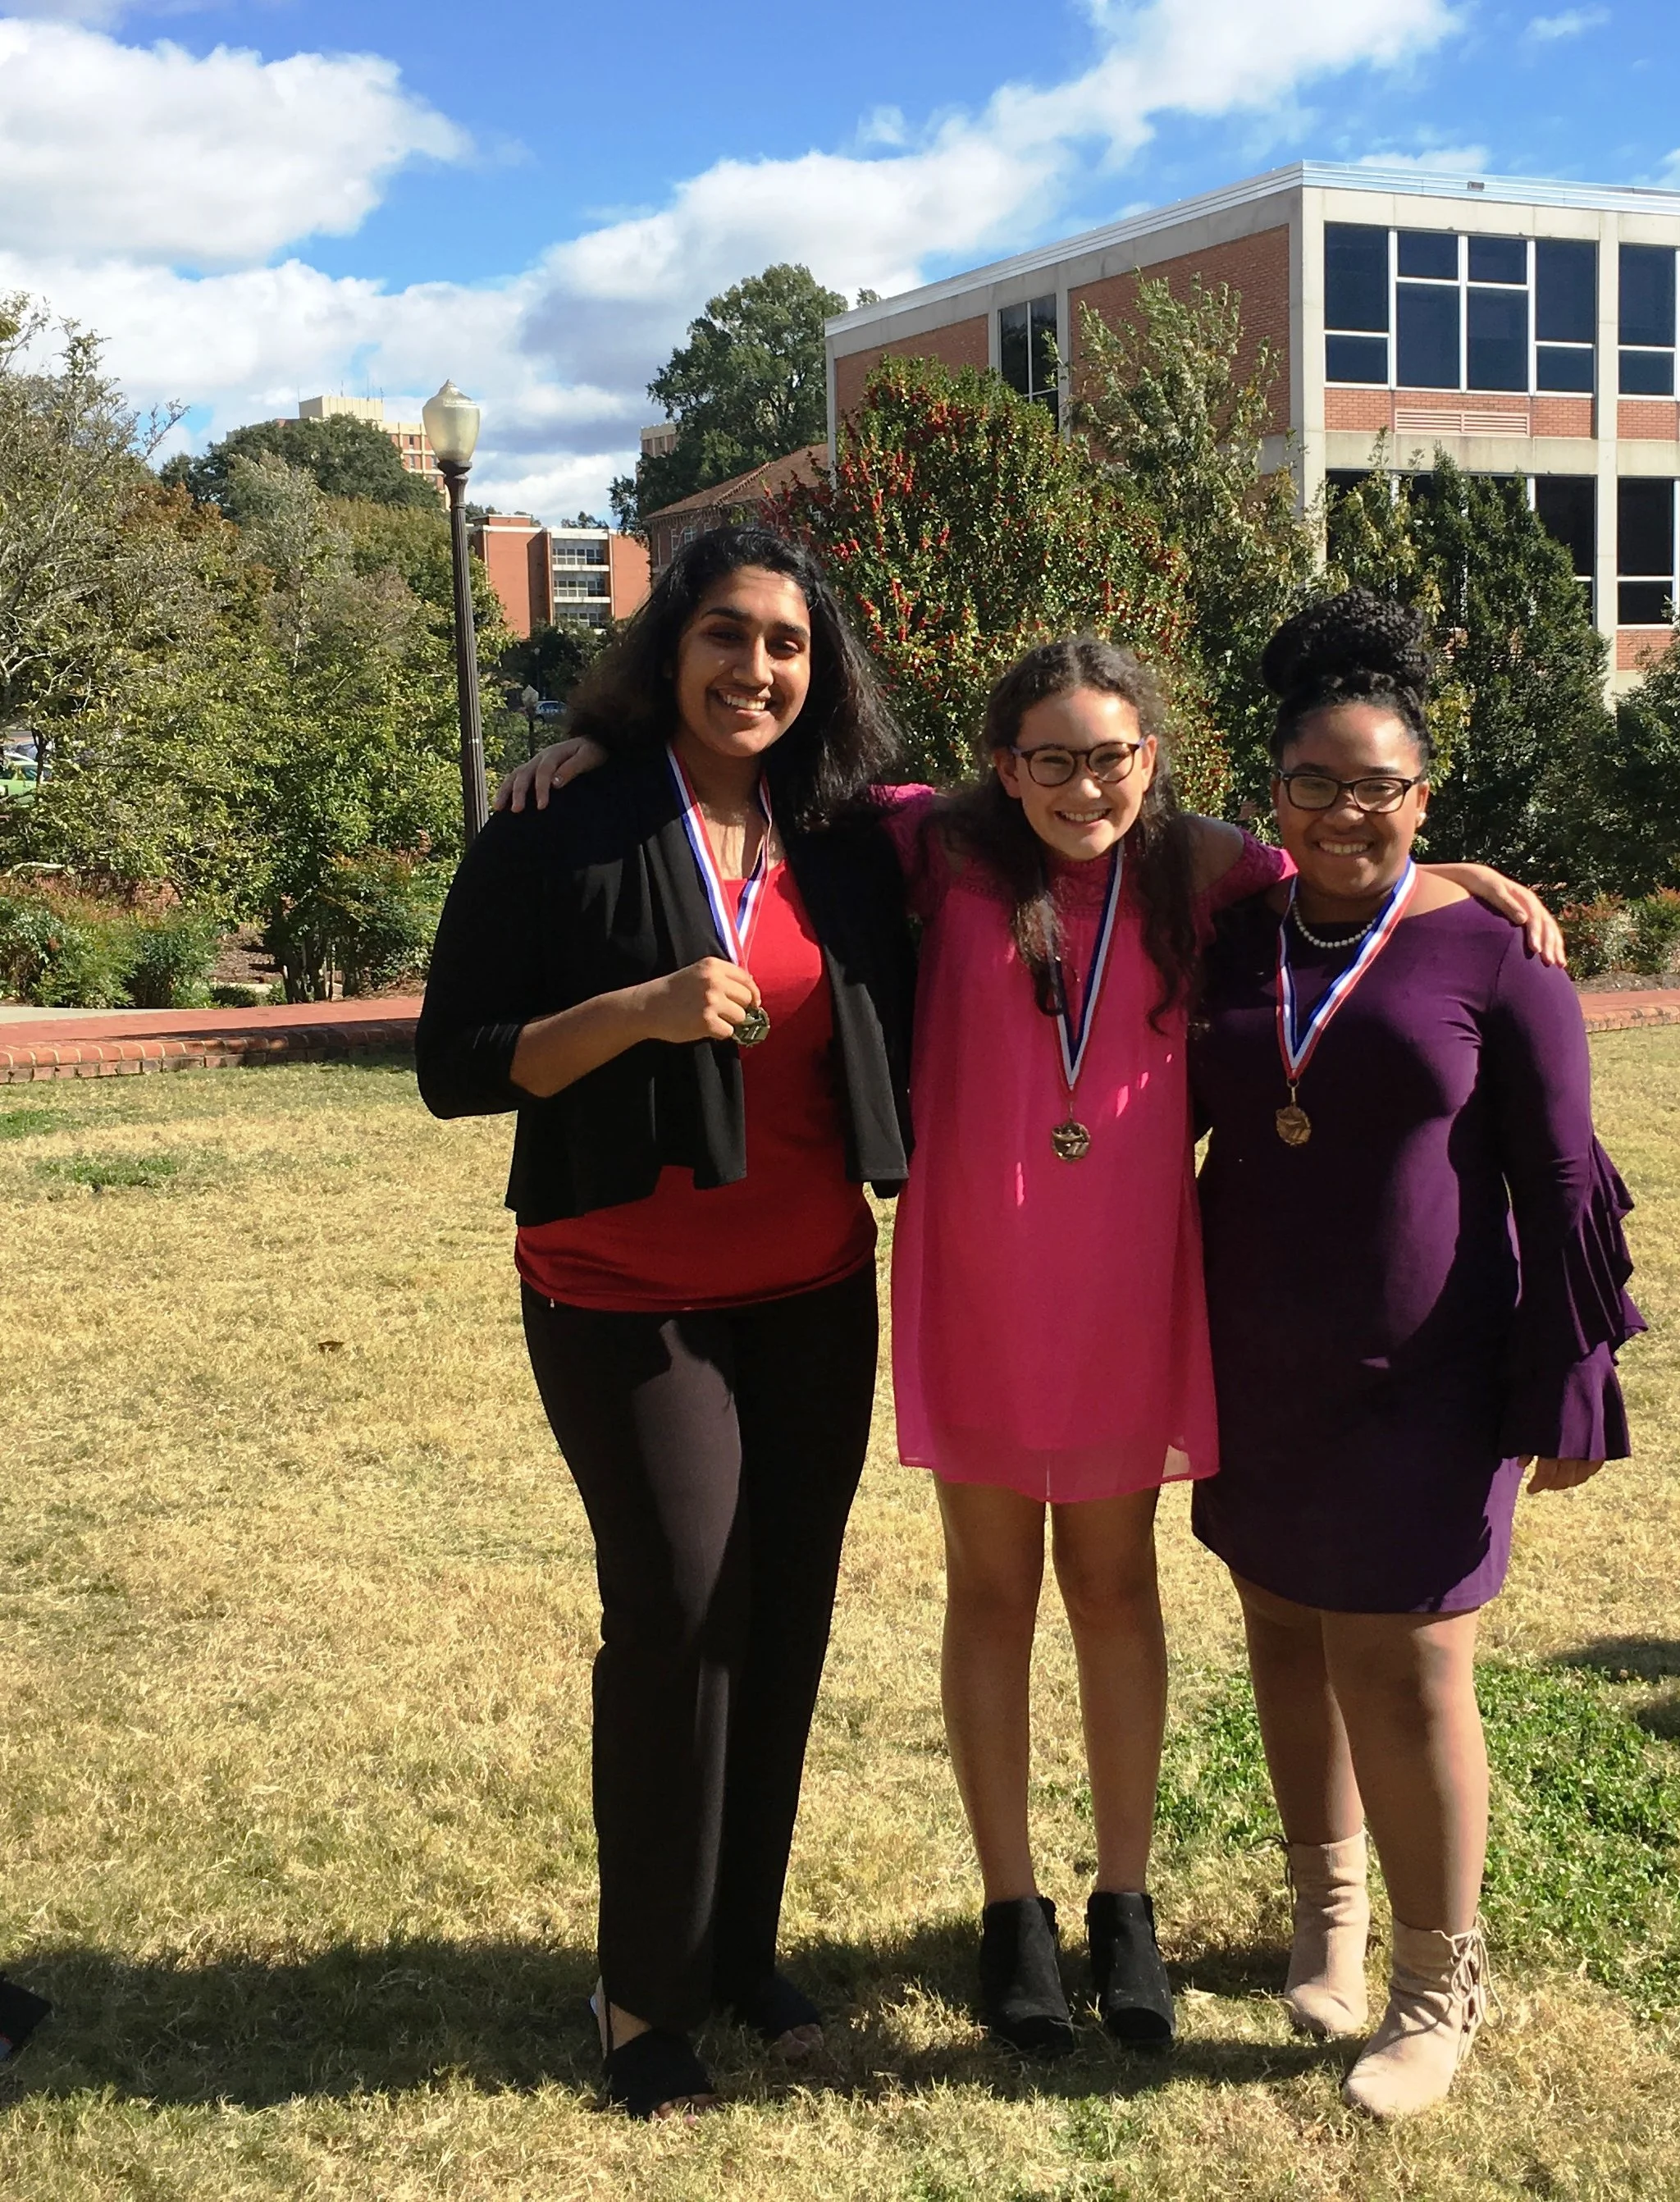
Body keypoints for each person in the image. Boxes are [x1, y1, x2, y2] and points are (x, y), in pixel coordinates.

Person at [504, 633, 1562, 2063]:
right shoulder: (931, 847)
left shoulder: (1206, 866)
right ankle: (1014, 1913)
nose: (1083, 785)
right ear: (1001, 765)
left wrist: (1468, 881)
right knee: (990, 1595)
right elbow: (757, 771)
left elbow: (1353, 861)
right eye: (1050, 757)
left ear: (1153, 758)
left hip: (1134, 1279)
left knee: (1117, 1588)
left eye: (1112, 755)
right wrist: (604, 753)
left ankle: (1124, 1902)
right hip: (976, 1270)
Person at [416, 524, 917, 2121]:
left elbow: (1072, 811)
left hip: (815, 1292)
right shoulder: (563, 820)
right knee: (681, 1610)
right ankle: (642, 1998)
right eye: (724, 633)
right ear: (667, 648)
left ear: (816, 668)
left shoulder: (846, 838)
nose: (754, 667)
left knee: (781, 1619)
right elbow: (455, 1059)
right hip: (621, 1296)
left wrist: (1428, 867)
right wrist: (634, 1009)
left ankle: (738, 1947)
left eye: (785, 642)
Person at [1187, 592, 1642, 2121]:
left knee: (1408, 1662)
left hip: (1430, 1374)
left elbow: (1566, 1179)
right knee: (1283, 1633)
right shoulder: (1235, 934)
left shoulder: (1495, 955)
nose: (1343, 813)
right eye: (1312, 785)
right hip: (1258, 1357)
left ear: (1423, 799)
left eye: (1378, 788)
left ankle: (1441, 1983)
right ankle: (1325, 1917)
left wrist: (1572, 1372)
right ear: (1274, 799)